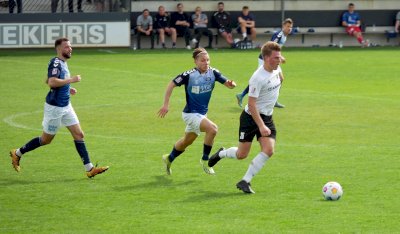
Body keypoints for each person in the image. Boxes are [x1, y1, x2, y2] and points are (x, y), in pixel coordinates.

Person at [9, 37, 109, 178]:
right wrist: (71, 80)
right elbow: (51, 82)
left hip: (66, 105)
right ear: (59, 49)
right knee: (46, 140)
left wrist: (68, 88)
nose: (70, 49)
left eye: (70, 46)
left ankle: (89, 169)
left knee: (79, 134)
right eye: (67, 47)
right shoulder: (56, 62)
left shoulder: (62, 63)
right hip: (55, 108)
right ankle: (17, 153)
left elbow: (48, 79)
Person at [208, 41, 283, 194]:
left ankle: (245, 181)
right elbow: (252, 104)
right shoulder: (257, 78)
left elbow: (281, 78)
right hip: (250, 118)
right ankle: (221, 153)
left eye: (280, 57)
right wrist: (261, 126)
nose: (279, 60)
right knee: (242, 155)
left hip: (267, 116)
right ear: (267, 58)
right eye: (276, 57)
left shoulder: (277, 69)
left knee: (269, 150)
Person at [158, 48, 236, 175]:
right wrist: (166, 105)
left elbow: (227, 83)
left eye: (208, 60)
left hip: (201, 114)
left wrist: (232, 84)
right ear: (195, 61)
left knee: (186, 142)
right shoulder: (188, 75)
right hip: (190, 114)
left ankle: (169, 158)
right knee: (213, 129)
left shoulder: (213, 72)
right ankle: (205, 160)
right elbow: (171, 84)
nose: (206, 63)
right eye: (203, 60)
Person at [235, 18, 293, 108]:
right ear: (283, 26)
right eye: (287, 26)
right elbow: (272, 46)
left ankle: (274, 100)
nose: (289, 28)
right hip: (265, 59)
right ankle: (243, 95)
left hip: (272, 59)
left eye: (290, 27)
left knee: (280, 78)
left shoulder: (284, 35)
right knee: (260, 79)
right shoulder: (279, 35)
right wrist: (280, 57)